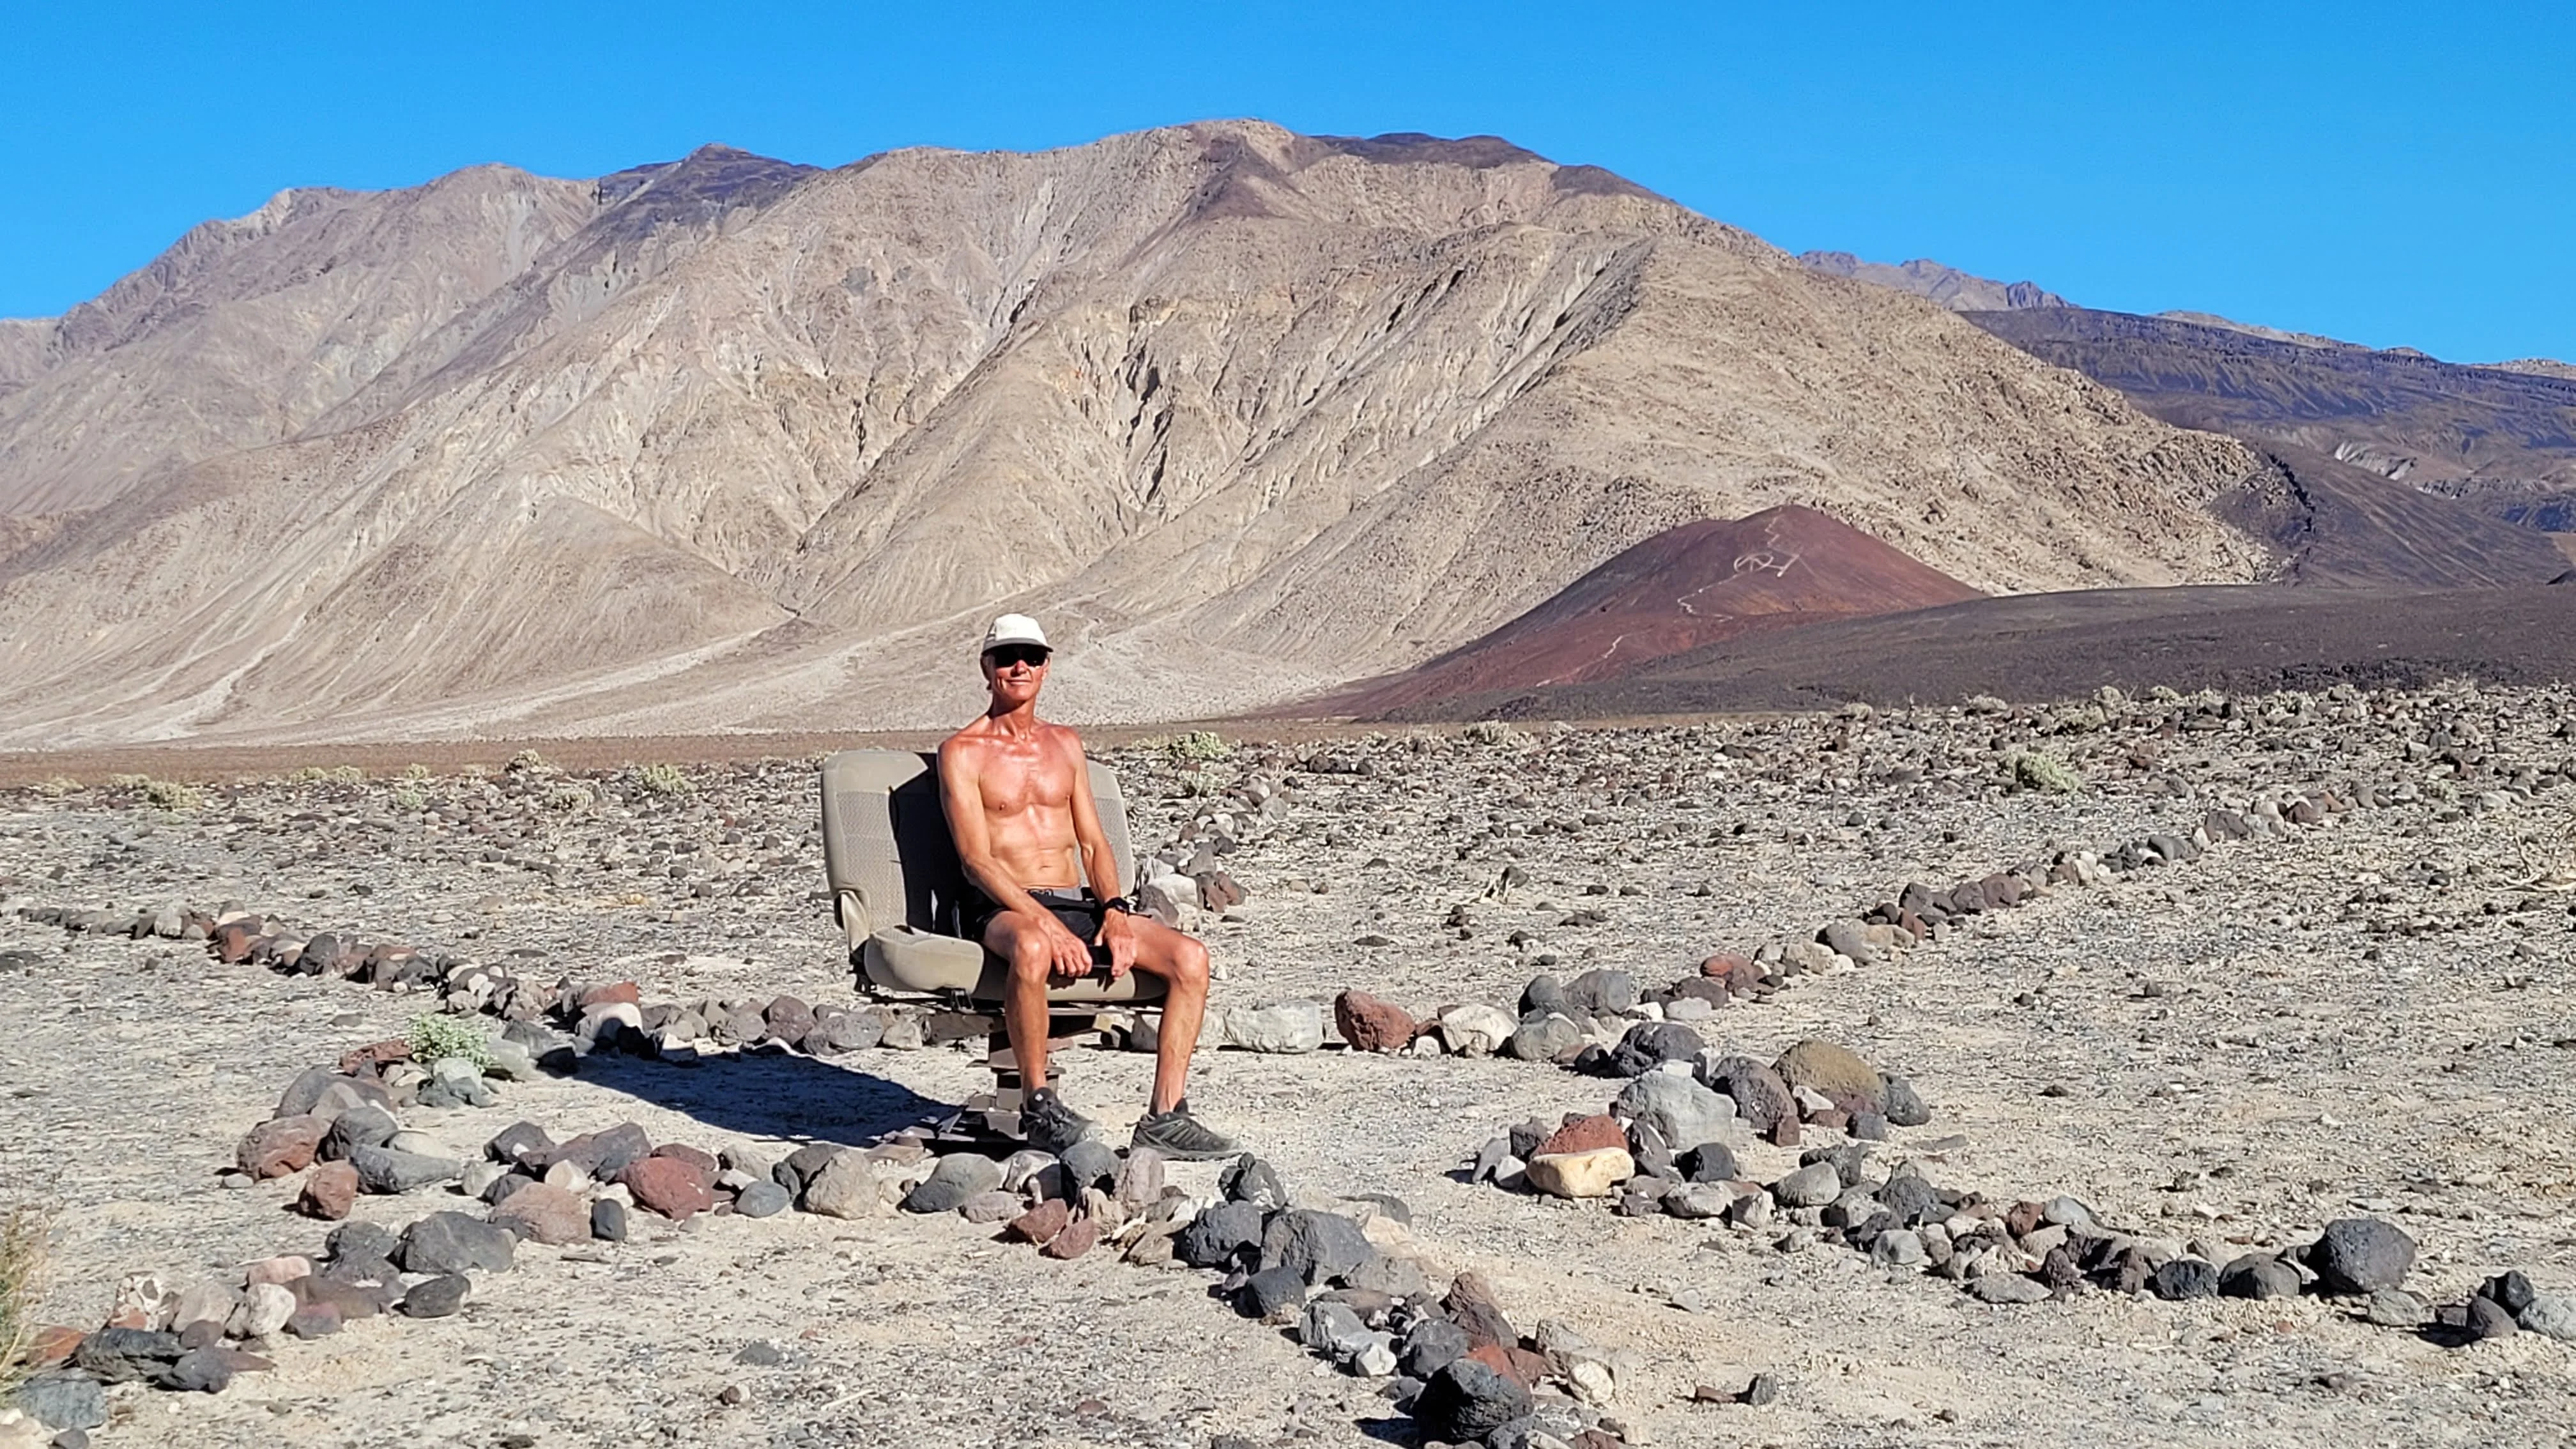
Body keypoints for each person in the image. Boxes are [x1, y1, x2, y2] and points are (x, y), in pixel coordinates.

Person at [937, 613, 1239, 1158]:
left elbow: (1095, 846)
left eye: (1031, 656)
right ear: (987, 668)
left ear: (1047, 667)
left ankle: (1165, 1117)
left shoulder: (1065, 745)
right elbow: (976, 859)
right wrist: (1046, 925)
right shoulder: (962, 751)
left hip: (1075, 903)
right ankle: (1039, 1105)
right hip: (999, 906)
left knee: (1190, 958)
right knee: (1031, 947)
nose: (1019, 666)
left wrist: (1116, 914)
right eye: (1006, 657)